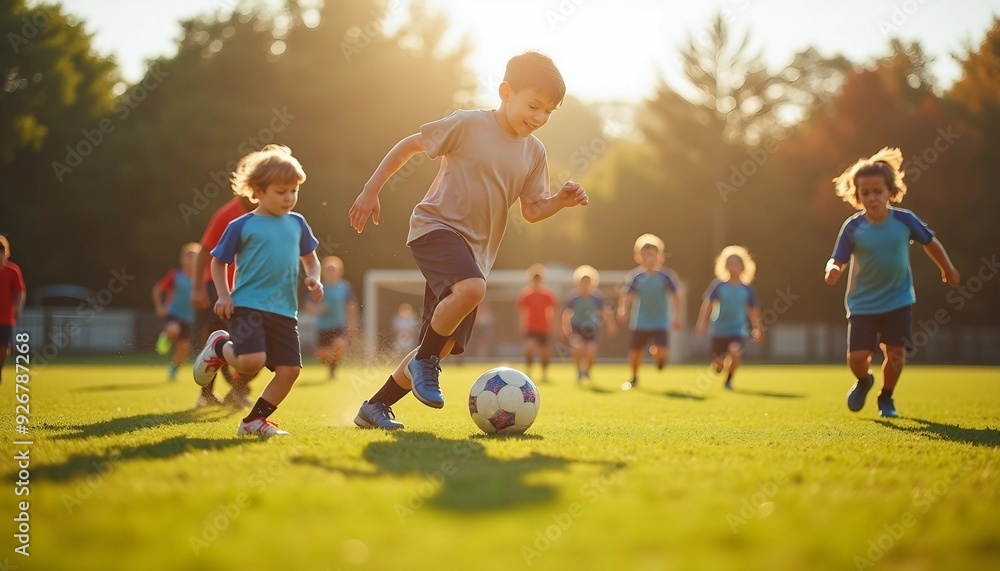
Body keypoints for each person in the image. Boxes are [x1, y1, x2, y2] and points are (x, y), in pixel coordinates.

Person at [347, 51, 588, 430]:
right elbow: (409, 145)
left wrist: (559, 201)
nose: (540, 118)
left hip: (475, 253)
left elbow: (532, 209)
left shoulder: (534, 152)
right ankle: (426, 364)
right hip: (435, 227)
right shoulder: (467, 124)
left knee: (440, 342)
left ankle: (375, 407)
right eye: (534, 106)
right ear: (506, 92)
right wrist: (370, 190)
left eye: (549, 113)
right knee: (471, 290)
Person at [192, 144, 323, 436]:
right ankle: (219, 348)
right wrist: (224, 295)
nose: (289, 198)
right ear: (258, 191)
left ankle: (253, 422)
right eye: (281, 191)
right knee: (253, 361)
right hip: (247, 305)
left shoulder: (298, 224)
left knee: (290, 371)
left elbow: (312, 261)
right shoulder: (241, 225)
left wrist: (315, 278)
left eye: (293, 191)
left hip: (285, 311)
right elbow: (216, 262)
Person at [825, 147, 959, 418]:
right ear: (857, 195)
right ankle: (864, 380)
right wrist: (834, 269)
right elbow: (836, 258)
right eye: (866, 193)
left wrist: (947, 268)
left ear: (891, 192)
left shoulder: (904, 220)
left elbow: (930, 243)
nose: (872, 197)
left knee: (896, 354)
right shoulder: (852, 227)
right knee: (857, 358)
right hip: (862, 303)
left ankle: (886, 396)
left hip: (898, 300)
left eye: (878, 191)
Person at [191, 193, 257, 407]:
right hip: (219, 287)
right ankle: (206, 394)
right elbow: (204, 250)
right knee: (218, 336)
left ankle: (237, 390)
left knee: (254, 342)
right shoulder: (226, 214)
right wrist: (198, 287)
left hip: (247, 289)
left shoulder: (272, 214)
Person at [618, 233, 682, 391]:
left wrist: (678, 316)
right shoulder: (636, 277)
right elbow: (627, 296)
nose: (649, 258)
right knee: (635, 354)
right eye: (645, 254)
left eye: (652, 254)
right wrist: (623, 309)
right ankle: (633, 378)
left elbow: (676, 296)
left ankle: (659, 360)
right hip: (640, 321)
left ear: (660, 257)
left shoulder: (666, 276)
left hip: (660, 322)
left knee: (661, 351)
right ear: (638, 257)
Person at [695, 245, 764, 390]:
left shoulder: (747, 289)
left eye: (736, 264)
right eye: (730, 263)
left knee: (735, 351)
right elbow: (707, 304)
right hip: (718, 329)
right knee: (719, 362)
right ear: (724, 266)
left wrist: (758, 328)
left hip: (737, 329)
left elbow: (753, 310)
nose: (733, 267)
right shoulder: (718, 286)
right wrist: (702, 323)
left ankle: (728, 380)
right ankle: (719, 365)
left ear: (743, 266)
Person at [152, 243, 201, 381]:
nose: (191, 261)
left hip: (190, 317)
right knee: (173, 330)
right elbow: (157, 289)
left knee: (183, 349)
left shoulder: (200, 279)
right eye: (188, 257)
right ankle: (167, 337)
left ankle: (174, 368)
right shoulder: (175, 276)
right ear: (182, 259)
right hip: (173, 312)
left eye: (194, 258)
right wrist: (159, 307)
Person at [304, 256, 357, 380]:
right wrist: (317, 309)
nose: (331, 272)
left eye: (334, 269)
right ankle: (330, 367)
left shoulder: (344, 287)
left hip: (338, 324)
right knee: (323, 354)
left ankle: (333, 370)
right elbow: (307, 304)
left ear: (340, 271)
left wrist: (352, 321)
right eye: (328, 269)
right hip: (322, 326)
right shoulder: (318, 286)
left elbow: (351, 305)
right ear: (323, 271)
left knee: (339, 345)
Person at [562, 265, 615, 384]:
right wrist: (565, 327)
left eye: (587, 282)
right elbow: (566, 313)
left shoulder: (597, 298)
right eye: (582, 282)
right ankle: (578, 371)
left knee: (591, 353)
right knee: (577, 349)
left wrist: (610, 325)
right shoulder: (573, 298)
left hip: (592, 328)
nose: (585, 285)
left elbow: (606, 311)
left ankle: (587, 371)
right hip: (577, 327)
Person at [518, 263, 557, 382]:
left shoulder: (547, 294)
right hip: (531, 327)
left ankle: (544, 374)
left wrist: (553, 325)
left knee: (545, 353)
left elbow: (551, 311)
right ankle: (528, 372)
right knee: (529, 348)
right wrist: (522, 326)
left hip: (544, 328)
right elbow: (523, 312)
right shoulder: (526, 295)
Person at [0, 236, 26, 384]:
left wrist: (18, 307)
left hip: (5, 317)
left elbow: (20, 291)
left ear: (7, 253)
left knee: (4, 348)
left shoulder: (13, 271)